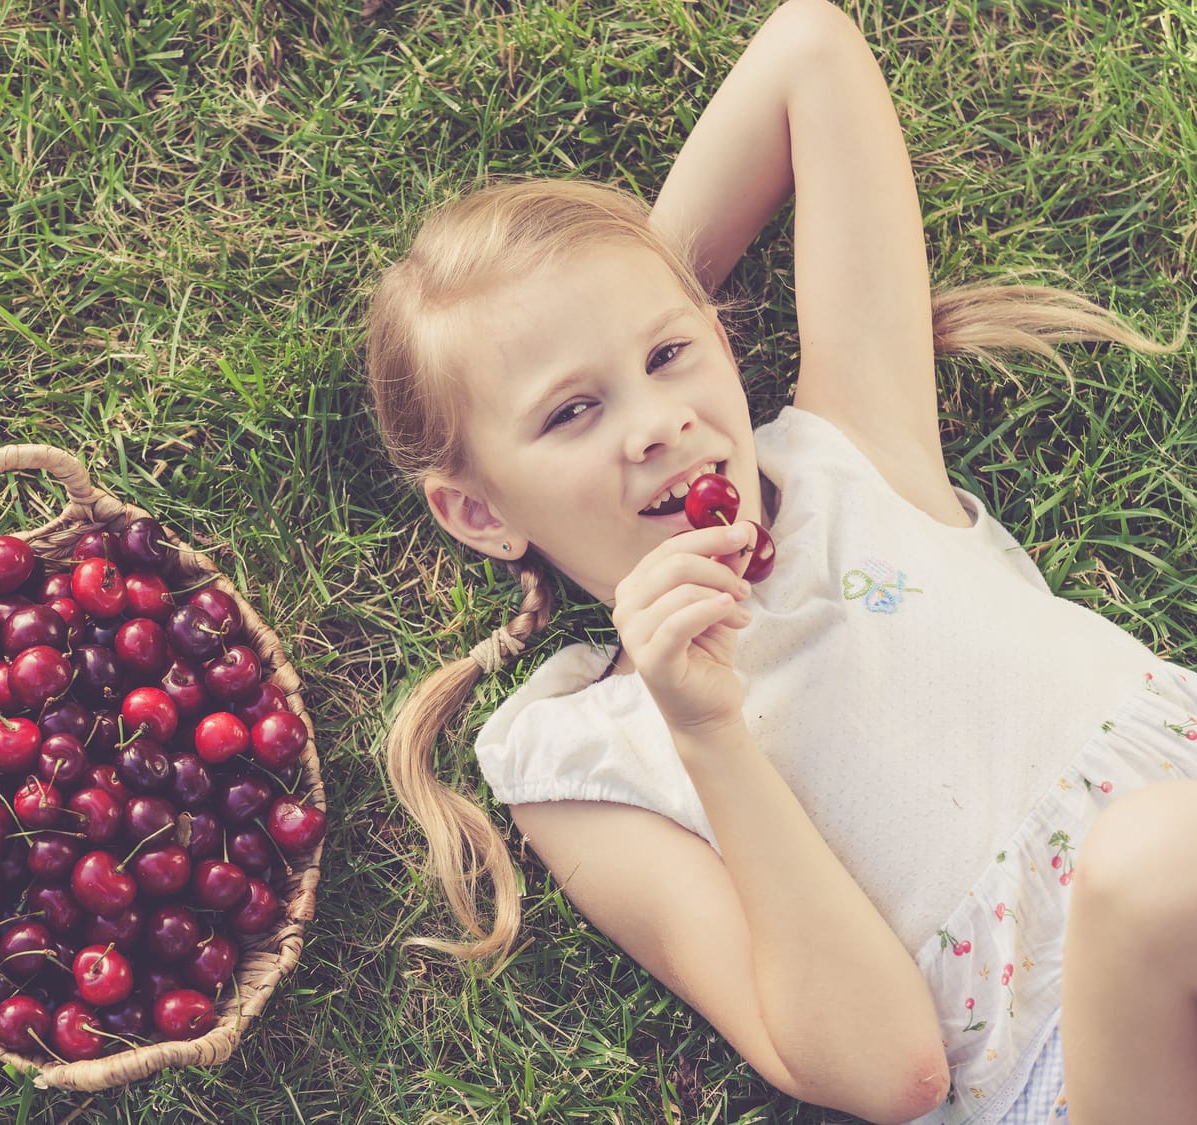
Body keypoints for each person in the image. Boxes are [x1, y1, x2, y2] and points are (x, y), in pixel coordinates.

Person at [362, 2, 1196, 1123]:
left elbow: (810, 48)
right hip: (1087, 1078)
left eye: (667, 352)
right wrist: (708, 733)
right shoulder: (584, 752)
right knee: (1147, 867)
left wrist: (598, 290)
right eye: (569, 413)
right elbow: (887, 1075)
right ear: (477, 512)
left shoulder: (852, 448)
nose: (654, 423)